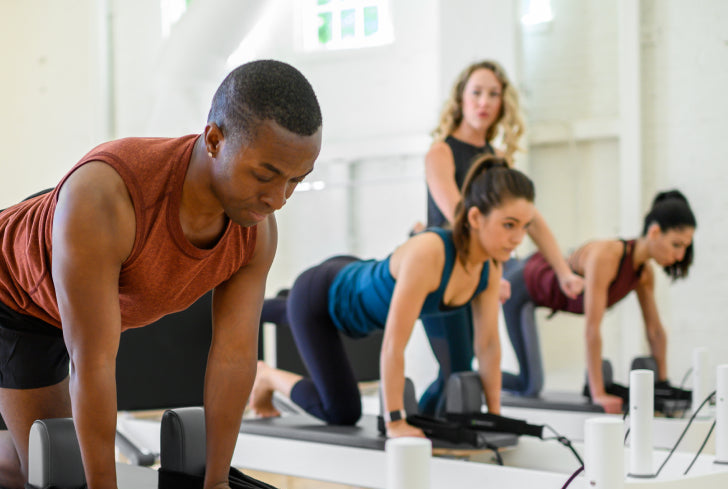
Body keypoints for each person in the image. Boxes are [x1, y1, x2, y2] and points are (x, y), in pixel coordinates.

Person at [0, 59, 323, 489]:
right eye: (265, 174)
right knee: (49, 479)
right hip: (12, 288)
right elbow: (92, 358)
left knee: (65, 446)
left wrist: (216, 482)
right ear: (215, 140)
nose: (279, 198)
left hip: (77, 256)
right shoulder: (107, 195)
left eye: (296, 181)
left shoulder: (255, 228)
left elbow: (233, 353)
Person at [250, 155, 535, 437]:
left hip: (353, 278)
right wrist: (395, 421)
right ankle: (266, 376)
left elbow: (487, 345)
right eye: (509, 225)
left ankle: (262, 306)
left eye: (524, 226)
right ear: (475, 217)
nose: (519, 238)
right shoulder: (430, 252)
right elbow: (394, 345)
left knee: (286, 313)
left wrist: (495, 416)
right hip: (322, 297)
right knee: (341, 412)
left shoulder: (488, 267)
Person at [417, 60, 583, 414]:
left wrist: (564, 272)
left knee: (467, 370)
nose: (484, 102)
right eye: (476, 92)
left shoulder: (497, 160)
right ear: (461, 98)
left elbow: (530, 220)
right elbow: (459, 215)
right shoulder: (440, 152)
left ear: (502, 104)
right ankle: (409, 432)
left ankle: (457, 429)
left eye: (493, 94)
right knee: (456, 371)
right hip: (439, 275)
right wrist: (494, 271)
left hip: (476, 274)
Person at [502, 190, 697, 413]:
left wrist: (663, 384)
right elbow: (592, 329)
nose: (681, 256)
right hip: (521, 285)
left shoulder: (643, 274)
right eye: (676, 245)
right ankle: (466, 379)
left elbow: (655, 330)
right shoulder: (607, 256)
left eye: (685, 247)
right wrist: (598, 394)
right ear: (654, 232)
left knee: (530, 384)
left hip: (535, 282)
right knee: (530, 385)